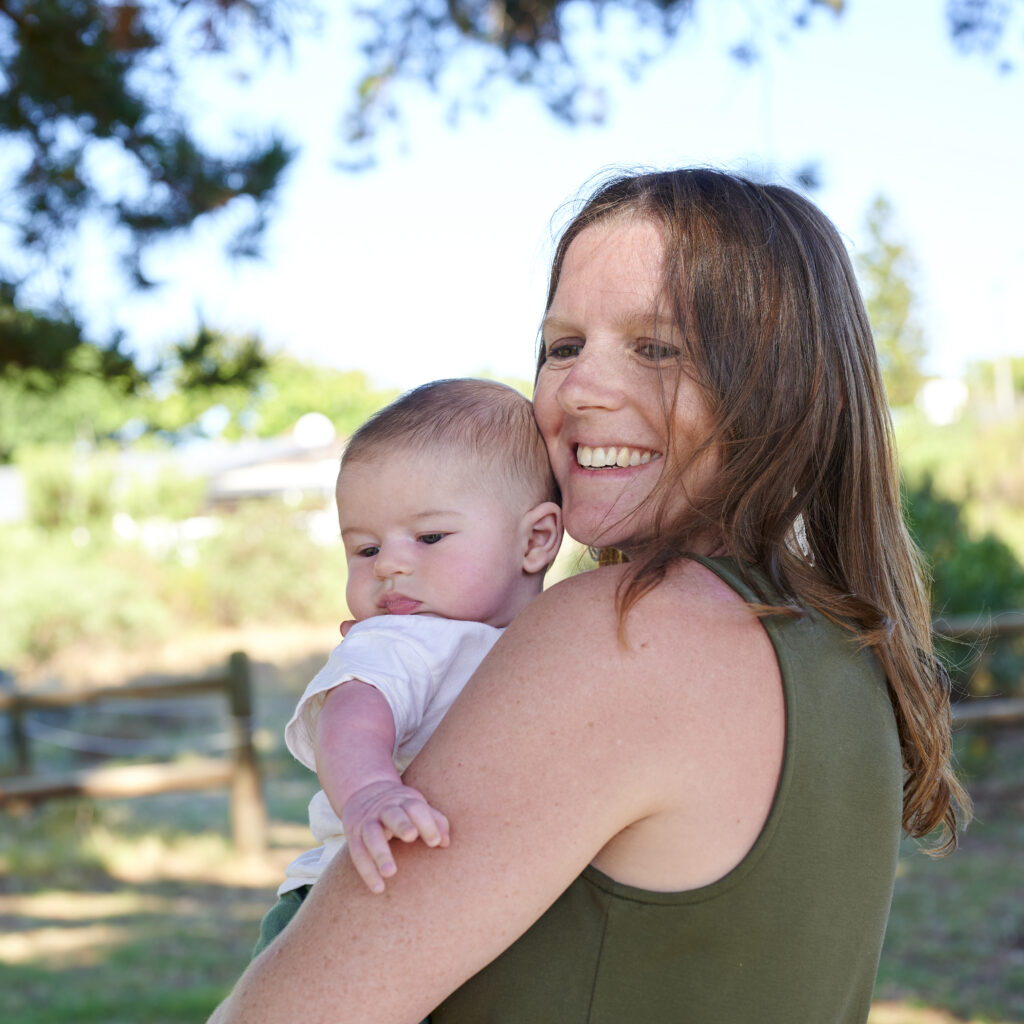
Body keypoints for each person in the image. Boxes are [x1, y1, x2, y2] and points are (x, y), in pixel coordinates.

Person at [210, 168, 970, 1024]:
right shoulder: (847, 646)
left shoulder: (622, 629)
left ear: (781, 384)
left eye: (656, 348)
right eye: (563, 347)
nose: (577, 390)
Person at [253, 378, 563, 954]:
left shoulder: (549, 637)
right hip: (340, 903)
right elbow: (352, 717)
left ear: (535, 540)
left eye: (429, 536)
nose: (389, 564)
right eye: (366, 549)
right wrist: (370, 792)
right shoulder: (402, 639)